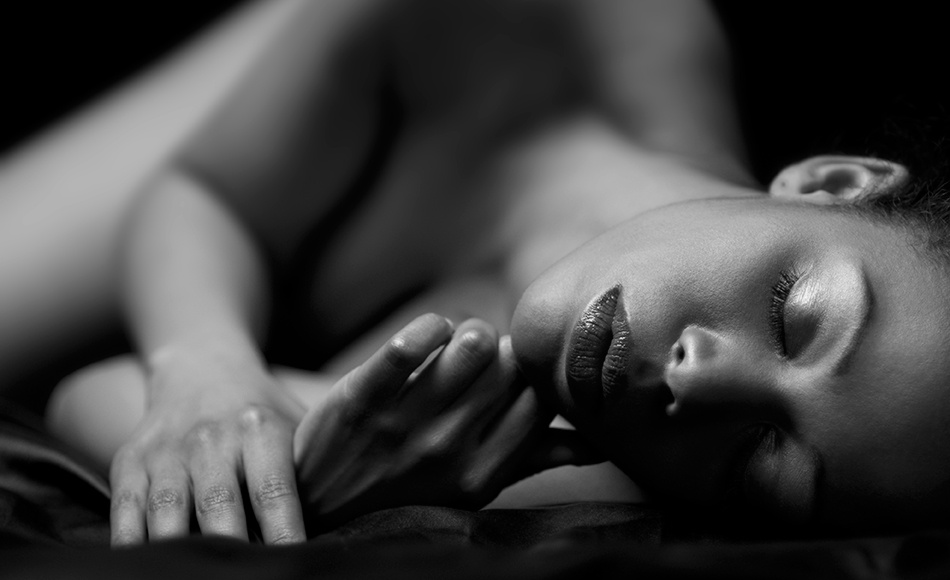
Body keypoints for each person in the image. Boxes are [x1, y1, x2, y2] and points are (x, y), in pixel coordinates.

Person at [0, 0, 940, 547]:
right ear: (832, 184)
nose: (701, 380)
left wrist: (325, 483)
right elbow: (211, 191)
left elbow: (88, 396)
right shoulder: (584, 23)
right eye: (795, 315)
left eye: (762, 463)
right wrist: (201, 361)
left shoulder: (528, 458)